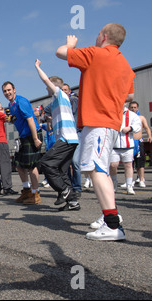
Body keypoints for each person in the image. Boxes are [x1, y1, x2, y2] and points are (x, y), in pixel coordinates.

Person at [56, 23, 135, 241]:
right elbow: (128, 96)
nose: (96, 36)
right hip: (111, 122)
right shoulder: (126, 65)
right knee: (99, 170)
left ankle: (112, 224)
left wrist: (70, 44)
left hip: (98, 121)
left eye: (98, 33)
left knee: (97, 170)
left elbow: (60, 52)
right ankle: (108, 215)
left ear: (105, 36)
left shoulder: (96, 54)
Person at [35, 60, 80, 211]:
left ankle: (64, 191)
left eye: (48, 86)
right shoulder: (55, 102)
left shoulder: (60, 94)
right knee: (61, 170)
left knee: (46, 163)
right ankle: (73, 202)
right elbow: (45, 115)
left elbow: (46, 80)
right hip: (69, 139)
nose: (46, 88)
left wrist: (37, 67)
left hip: (67, 139)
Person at [2, 81, 43, 205]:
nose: (7, 93)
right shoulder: (10, 105)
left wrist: (35, 138)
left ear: (14, 90)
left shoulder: (21, 101)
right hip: (23, 136)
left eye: (9, 90)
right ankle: (26, 191)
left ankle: (36, 194)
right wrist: (10, 120)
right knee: (18, 164)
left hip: (32, 134)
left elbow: (30, 119)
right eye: (5, 91)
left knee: (31, 165)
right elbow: (16, 120)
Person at [109, 106, 141, 195]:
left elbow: (138, 126)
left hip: (128, 145)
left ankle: (129, 186)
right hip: (114, 146)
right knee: (113, 165)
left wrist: (130, 128)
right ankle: (114, 184)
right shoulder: (110, 112)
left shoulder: (131, 115)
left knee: (128, 165)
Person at [62, 83, 82, 197]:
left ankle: (77, 187)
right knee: (66, 163)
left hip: (76, 133)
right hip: (65, 135)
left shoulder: (73, 100)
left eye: (66, 90)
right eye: (62, 90)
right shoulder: (59, 103)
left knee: (75, 162)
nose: (64, 92)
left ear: (69, 91)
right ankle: (69, 186)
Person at [128, 101, 152, 187]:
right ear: (129, 108)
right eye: (131, 107)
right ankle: (129, 182)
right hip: (129, 141)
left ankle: (141, 180)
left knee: (140, 161)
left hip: (138, 142)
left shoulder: (141, 118)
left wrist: (150, 136)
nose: (133, 109)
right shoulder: (126, 118)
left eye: (135, 107)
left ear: (137, 108)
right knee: (129, 162)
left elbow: (147, 128)